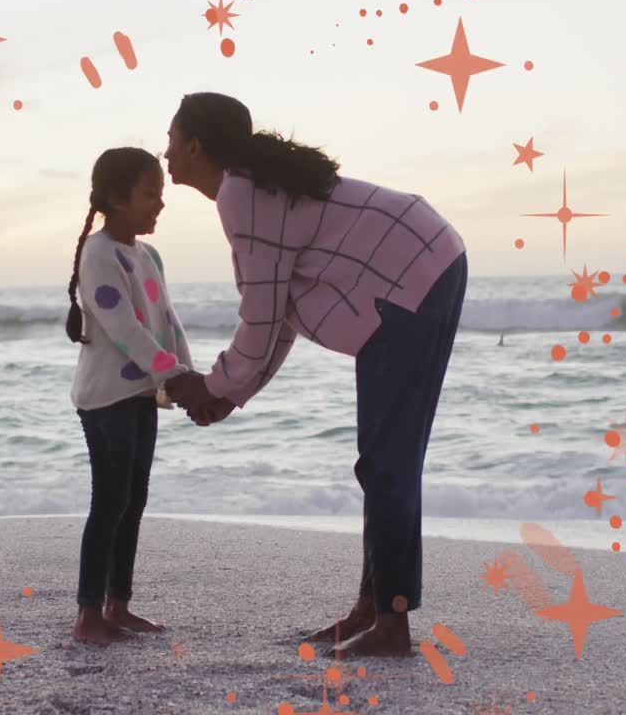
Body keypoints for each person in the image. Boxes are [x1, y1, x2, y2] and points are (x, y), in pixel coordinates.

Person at [161, 93, 468, 657]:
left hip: (412, 275)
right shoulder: (249, 189)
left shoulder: (240, 193)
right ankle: (372, 610)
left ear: (195, 145)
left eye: (172, 139)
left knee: (387, 464)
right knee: (384, 461)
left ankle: (392, 628)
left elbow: (258, 319)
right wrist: (232, 392)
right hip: (423, 262)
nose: (166, 152)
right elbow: (275, 317)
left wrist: (214, 386)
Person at [66, 147, 193, 645]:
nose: (159, 204)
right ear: (117, 198)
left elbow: (165, 324)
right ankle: (87, 613)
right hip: (106, 398)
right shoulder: (97, 254)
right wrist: (178, 377)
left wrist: (187, 376)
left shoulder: (149, 255)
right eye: (150, 195)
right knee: (111, 501)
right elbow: (125, 330)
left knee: (134, 500)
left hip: (141, 392)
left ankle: (119, 605)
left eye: (160, 195)